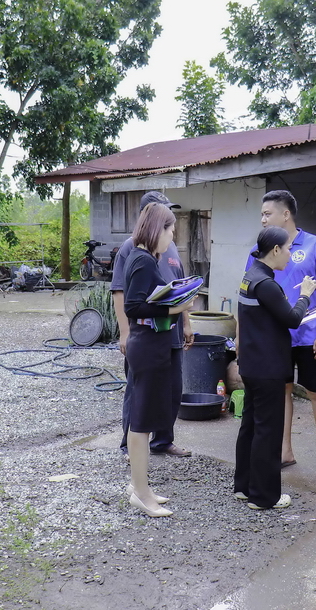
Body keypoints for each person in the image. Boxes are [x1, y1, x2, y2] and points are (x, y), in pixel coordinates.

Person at [245, 190, 316, 478]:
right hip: (276, 338)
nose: (263, 219)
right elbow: (248, 292)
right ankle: (285, 451)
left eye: (267, 214)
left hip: (309, 336)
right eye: (261, 215)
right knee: (281, 392)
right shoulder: (260, 249)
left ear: (285, 214)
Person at [235, 227, 316, 509]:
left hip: (251, 364)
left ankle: (244, 486)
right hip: (267, 367)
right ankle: (264, 496)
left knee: (250, 426)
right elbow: (292, 319)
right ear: (276, 250)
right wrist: (305, 295)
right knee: (268, 432)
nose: (291, 254)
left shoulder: (251, 276)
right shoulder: (267, 284)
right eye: (289, 248)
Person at [122, 203, 196, 517]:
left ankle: (140, 486)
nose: (171, 237)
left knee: (142, 420)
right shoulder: (143, 260)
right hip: (147, 347)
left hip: (150, 346)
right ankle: (141, 494)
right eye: (170, 231)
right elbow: (133, 307)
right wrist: (176, 308)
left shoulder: (143, 257)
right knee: (141, 424)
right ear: (157, 229)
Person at [112, 191, 192, 458]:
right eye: (163, 213)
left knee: (171, 389)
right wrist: (125, 332)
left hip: (171, 332)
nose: (171, 228)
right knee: (139, 391)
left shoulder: (169, 246)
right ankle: (130, 445)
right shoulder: (132, 249)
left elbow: (180, 288)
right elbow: (121, 293)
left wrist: (186, 324)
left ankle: (162, 441)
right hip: (146, 332)